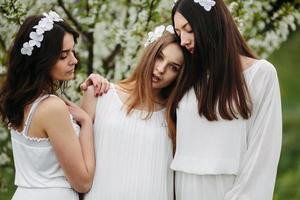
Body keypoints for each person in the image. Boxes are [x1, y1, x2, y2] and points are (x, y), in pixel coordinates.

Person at [84, 0, 282, 199]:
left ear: (210, 23)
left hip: (228, 188)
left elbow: (263, 155)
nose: (184, 40)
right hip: (183, 189)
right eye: (179, 33)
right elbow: (146, 103)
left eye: (189, 29)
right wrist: (103, 84)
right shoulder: (188, 75)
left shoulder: (261, 74)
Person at [80, 27, 185, 200]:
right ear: (149, 53)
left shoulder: (175, 114)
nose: (160, 69)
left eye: (173, 67)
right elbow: (76, 164)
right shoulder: (100, 95)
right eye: (159, 57)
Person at [0, 11, 95, 200]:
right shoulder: (52, 107)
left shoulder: (22, 101)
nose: (74, 60)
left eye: (73, 52)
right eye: (63, 56)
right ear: (41, 60)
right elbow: (83, 182)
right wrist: (86, 123)